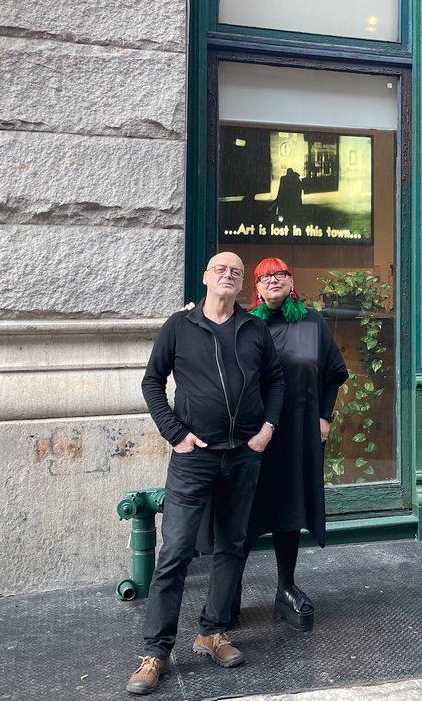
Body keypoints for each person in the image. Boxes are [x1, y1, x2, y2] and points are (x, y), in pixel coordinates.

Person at [126, 251, 285, 696]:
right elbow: (152, 382)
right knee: (176, 551)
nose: (228, 275)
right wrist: (175, 433)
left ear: (242, 282)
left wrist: (267, 429)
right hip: (194, 457)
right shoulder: (180, 326)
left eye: (236, 271)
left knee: (231, 545)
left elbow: (276, 381)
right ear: (205, 277)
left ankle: (212, 632)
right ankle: (156, 652)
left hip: (244, 455)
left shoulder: (254, 328)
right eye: (221, 269)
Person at [236, 257, 348, 631]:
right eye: (265, 276)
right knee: (246, 510)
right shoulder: (246, 325)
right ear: (256, 286)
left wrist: (324, 416)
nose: (274, 280)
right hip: (255, 434)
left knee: (290, 507)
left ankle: (286, 587)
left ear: (292, 281)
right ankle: (230, 586)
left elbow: (332, 373)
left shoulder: (310, 323)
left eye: (280, 274)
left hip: (299, 430)